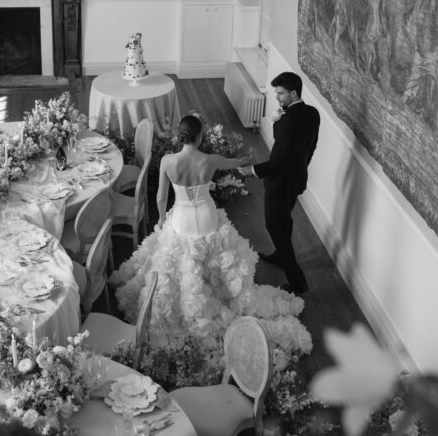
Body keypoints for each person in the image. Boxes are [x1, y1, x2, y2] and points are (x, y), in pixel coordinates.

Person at [110, 114, 311, 355]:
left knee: (183, 257)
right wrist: (245, 158)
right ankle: (217, 292)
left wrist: (163, 218)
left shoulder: (168, 161)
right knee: (213, 256)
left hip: (183, 218)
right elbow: (233, 163)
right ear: (200, 136)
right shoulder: (210, 160)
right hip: (207, 216)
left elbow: (161, 197)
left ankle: (194, 301)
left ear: (179, 136)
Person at [239, 72, 320, 295]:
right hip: (297, 180)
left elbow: (278, 161)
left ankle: (296, 281)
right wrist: (300, 167)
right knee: (283, 219)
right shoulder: (313, 114)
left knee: (274, 225)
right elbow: (310, 148)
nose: (277, 97)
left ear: (294, 93)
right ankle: (279, 254)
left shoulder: (285, 123)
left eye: (281, 93)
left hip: (280, 183)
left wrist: (252, 170)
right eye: (276, 93)